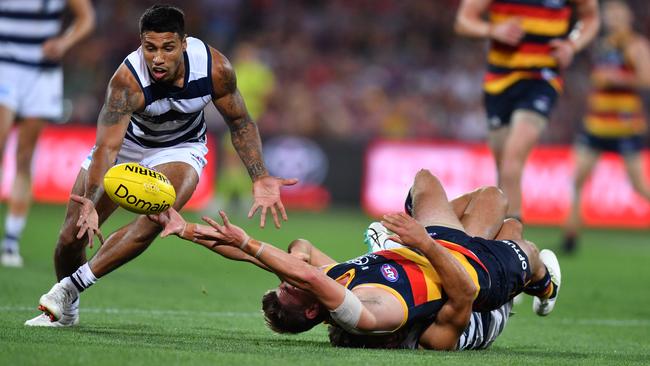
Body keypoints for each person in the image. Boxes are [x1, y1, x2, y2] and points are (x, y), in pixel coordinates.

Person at [24, 5, 296, 327]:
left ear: (183, 43)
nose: (157, 58)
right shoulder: (127, 81)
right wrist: (92, 203)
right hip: (127, 146)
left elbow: (240, 122)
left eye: (168, 48)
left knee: (158, 214)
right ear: (141, 43)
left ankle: (68, 289)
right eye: (150, 48)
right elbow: (107, 148)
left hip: (181, 148)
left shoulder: (214, 68)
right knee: (71, 236)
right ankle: (68, 313)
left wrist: (260, 176)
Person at [151, 169, 561, 350]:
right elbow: (466, 294)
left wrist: (186, 230)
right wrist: (423, 242)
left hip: (427, 246)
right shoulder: (370, 314)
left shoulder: (332, 281)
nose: (292, 277)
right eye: (293, 288)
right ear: (315, 308)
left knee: (466, 191)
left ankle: (389, 241)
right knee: (518, 239)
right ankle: (543, 283)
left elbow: (297, 255)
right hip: (469, 275)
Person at [454, 0, 600, 220]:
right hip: (499, 81)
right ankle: (502, 239)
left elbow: (590, 16)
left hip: (541, 79)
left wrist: (573, 44)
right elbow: (463, 21)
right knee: (504, 168)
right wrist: (492, 30)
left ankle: (513, 245)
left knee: (512, 162)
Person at [0, 0, 95, 267]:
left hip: (41, 74)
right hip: (4, 67)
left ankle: (10, 239)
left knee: (24, 156)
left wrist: (64, 43)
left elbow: (86, 18)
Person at [562, 0, 650, 253]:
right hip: (597, 124)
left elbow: (646, 79)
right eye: (609, 13)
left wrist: (617, 77)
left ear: (628, 17)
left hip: (625, 126)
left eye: (617, 13)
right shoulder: (603, 45)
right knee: (577, 179)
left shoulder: (635, 45)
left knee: (639, 186)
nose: (613, 17)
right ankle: (571, 236)